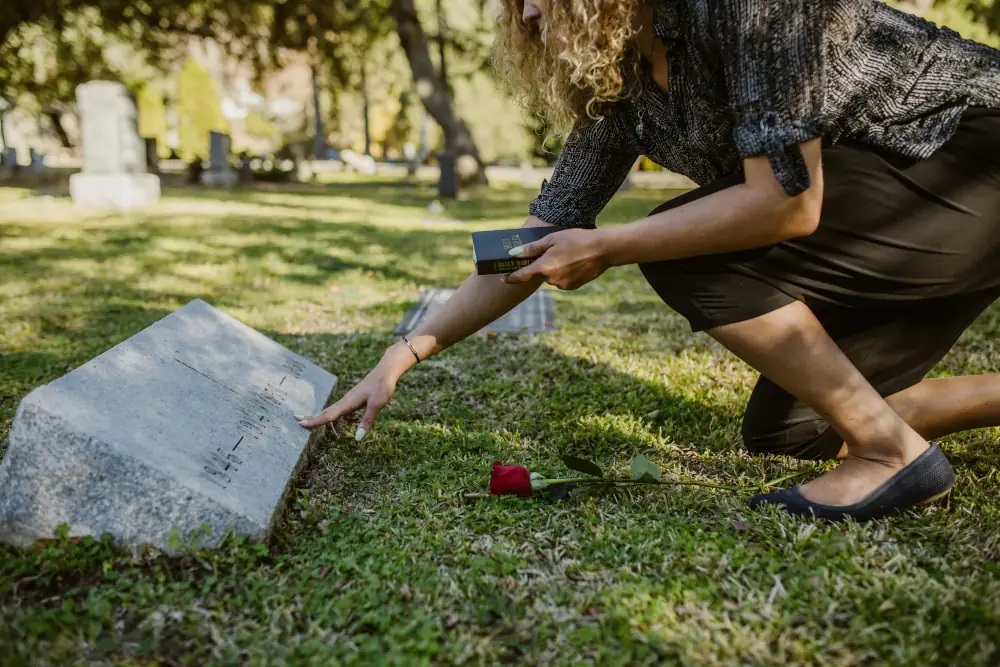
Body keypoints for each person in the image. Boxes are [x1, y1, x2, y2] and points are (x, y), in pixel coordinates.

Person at [300, 0, 1000, 521]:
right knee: (793, 431)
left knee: (686, 252)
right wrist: (403, 355)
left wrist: (610, 246)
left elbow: (788, 205)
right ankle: (883, 432)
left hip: (972, 163)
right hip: (922, 216)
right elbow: (541, 233)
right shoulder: (622, 84)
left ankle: (890, 453)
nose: (533, 10)